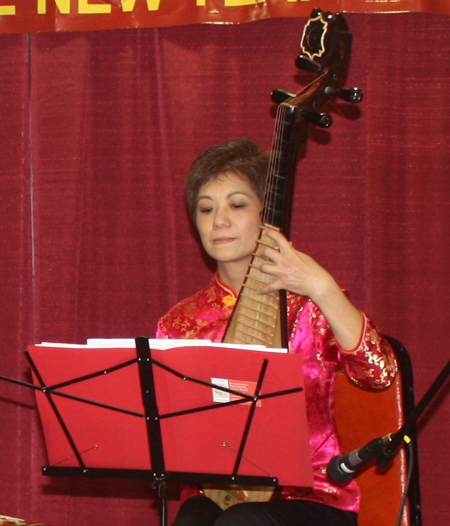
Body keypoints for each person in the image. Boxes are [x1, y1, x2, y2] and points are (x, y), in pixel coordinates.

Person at [156, 138, 397, 526]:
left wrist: (324, 289)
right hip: (218, 495)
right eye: (206, 209)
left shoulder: (310, 306)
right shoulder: (180, 323)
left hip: (315, 499)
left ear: (268, 216)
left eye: (236, 204)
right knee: (194, 517)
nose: (219, 220)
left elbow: (379, 372)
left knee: (243, 522)